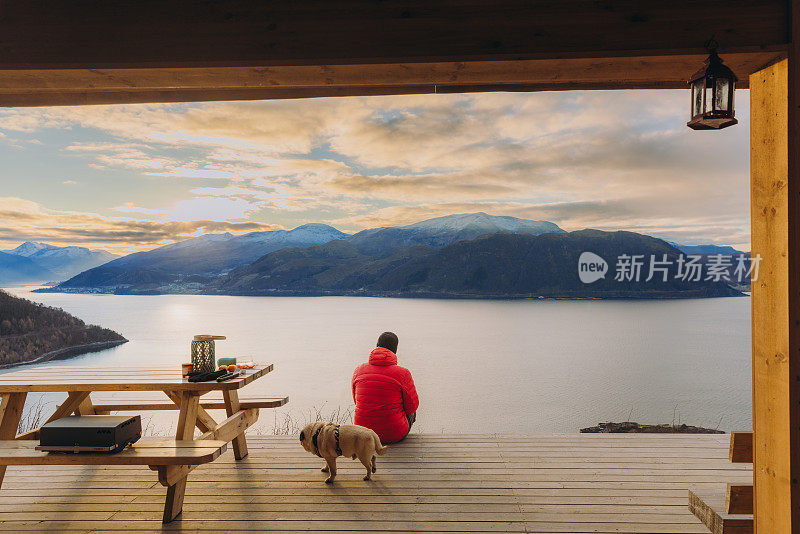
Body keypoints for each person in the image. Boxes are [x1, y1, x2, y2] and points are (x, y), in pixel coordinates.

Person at [351, 331, 419, 444]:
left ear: (377, 345)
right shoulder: (403, 373)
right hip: (393, 435)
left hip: (364, 433)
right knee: (411, 407)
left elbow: (356, 401)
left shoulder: (359, 370)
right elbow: (412, 407)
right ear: (395, 350)